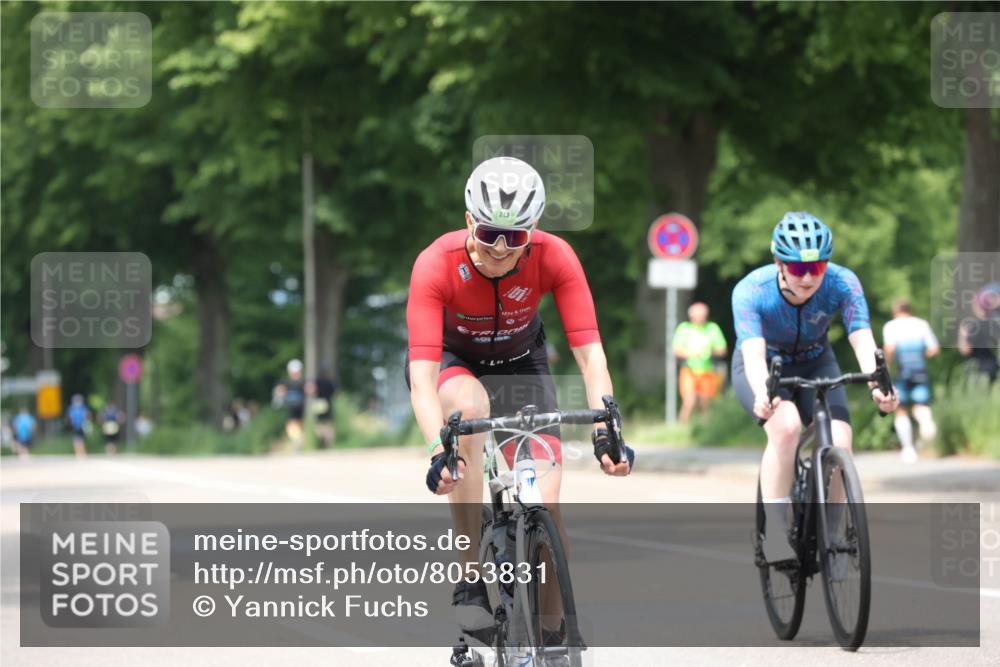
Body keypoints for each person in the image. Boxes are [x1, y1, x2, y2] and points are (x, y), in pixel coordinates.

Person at [406, 156, 634, 651]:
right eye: (490, 233)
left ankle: (554, 639)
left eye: (517, 236)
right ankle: (471, 577)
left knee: (546, 506)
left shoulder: (555, 255)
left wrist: (606, 431)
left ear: (534, 230)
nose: (502, 248)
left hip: (522, 365)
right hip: (455, 363)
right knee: (469, 407)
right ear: (470, 221)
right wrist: (435, 449)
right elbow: (421, 375)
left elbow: (591, 354)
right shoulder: (436, 263)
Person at [731, 212, 898, 563]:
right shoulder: (750, 291)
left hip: (817, 360)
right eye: (797, 269)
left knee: (841, 442)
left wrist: (878, 382)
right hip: (764, 364)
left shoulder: (842, 282)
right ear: (778, 263)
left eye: (817, 267)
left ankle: (834, 537)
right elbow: (753, 352)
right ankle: (776, 533)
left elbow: (861, 336)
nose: (808, 278)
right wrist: (764, 391)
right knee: (786, 428)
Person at [883, 298, 940, 463]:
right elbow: (934, 349)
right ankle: (926, 425)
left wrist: (887, 367)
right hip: (919, 369)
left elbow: (890, 348)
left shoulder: (891, 326)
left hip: (901, 371)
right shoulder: (921, 324)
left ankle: (908, 449)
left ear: (896, 311)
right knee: (920, 405)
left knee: (900, 408)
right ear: (910, 310)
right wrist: (922, 356)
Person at [672, 301, 728, 423]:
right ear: (691, 316)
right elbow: (676, 350)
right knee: (689, 401)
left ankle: (704, 429)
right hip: (689, 370)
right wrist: (691, 354)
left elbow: (722, 350)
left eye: (703, 315)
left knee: (705, 402)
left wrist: (709, 351)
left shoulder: (712, 328)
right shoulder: (684, 328)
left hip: (707, 370)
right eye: (698, 315)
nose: (701, 318)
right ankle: (681, 428)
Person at [958, 284, 1000, 386]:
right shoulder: (996, 325)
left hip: (978, 372)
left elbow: (965, 351)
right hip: (995, 370)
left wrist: (962, 335)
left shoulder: (972, 326)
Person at [273, 359, 306, 452]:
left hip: (299, 407)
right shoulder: (286, 382)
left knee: (297, 426)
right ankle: (297, 442)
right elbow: (279, 392)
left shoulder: (301, 382)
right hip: (291, 408)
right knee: (292, 426)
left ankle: (298, 442)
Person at [308, 362, 338, 449]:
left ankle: (322, 440)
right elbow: (336, 393)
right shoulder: (331, 381)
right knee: (328, 423)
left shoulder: (316, 381)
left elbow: (311, 391)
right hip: (327, 402)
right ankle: (327, 442)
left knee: (319, 423)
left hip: (318, 403)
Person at [66, 394, 91, 458]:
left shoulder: (75, 408)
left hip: (80, 426)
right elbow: (87, 416)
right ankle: (80, 453)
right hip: (77, 426)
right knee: (79, 439)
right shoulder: (78, 408)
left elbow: (70, 418)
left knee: (78, 439)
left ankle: (80, 453)